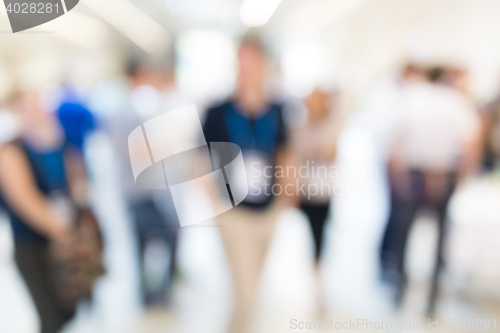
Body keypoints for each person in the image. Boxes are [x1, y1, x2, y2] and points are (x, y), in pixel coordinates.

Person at [203, 36, 291, 333]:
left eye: (253, 63)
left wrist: (285, 198)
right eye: (242, 63)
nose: (247, 70)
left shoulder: (278, 111)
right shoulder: (218, 111)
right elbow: (200, 158)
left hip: (268, 211)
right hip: (232, 212)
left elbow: (285, 154)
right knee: (246, 294)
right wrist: (211, 200)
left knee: (252, 291)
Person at [379, 67, 481, 314]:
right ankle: (432, 298)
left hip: (414, 173)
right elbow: (470, 146)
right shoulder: (456, 103)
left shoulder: (411, 99)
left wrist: (396, 177)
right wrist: (460, 179)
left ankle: (400, 289)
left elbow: (393, 144)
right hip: (442, 173)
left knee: (404, 234)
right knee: (439, 239)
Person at [0, 90, 90, 333]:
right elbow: (24, 199)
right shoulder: (11, 151)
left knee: (67, 310)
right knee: (50, 317)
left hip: (65, 237)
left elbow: (77, 180)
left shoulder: (59, 143)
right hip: (32, 244)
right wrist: (59, 229)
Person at [109, 56, 181, 306]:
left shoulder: (129, 108)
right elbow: (134, 151)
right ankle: (155, 294)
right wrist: (168, 146)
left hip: (137, 190)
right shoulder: (131, 111)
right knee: (161, 239)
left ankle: (150, 293)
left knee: (143, 244)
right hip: (140, 192)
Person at [290, 88, 344, 311]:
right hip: (301, 188)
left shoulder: (332, 125)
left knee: (319, 240)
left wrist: (312, 150)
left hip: (321, 191)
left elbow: (331, 153)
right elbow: (293, 152)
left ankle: (318, 286)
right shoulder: (299, 124)